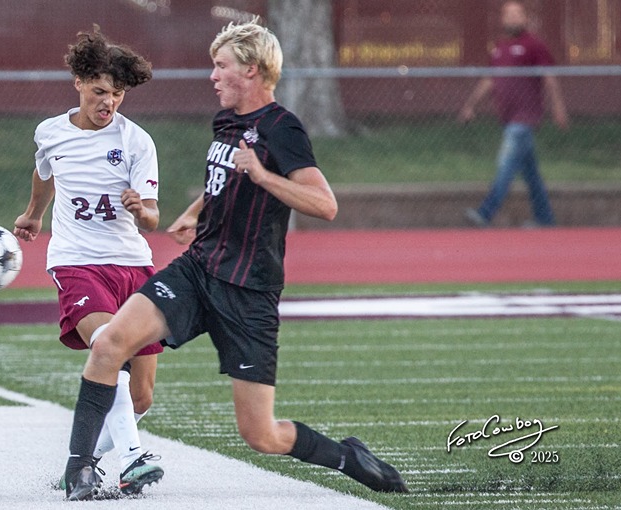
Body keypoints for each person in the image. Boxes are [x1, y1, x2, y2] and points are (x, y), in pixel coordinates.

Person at [61, 19, 409, 501]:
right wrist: (195, 210)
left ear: (252, 69)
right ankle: (79, 470)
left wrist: (264, 176)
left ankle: (347, 456)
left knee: (260, 435)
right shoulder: (226, 121)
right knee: (108, 346)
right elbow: (226, 176)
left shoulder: (283, 129)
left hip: (249, 291)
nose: (213, 76)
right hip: (199, 268)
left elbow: (324, 204)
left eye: (221, 65)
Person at [13, 25, 164, 497]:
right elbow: (43, 173)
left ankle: (84, 463)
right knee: (106, 345)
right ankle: (134, 457)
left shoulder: (137, 142)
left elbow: (155, 217)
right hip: (76, 261)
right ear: (78, 82)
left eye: (117, 94)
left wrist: (144, 210)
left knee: (141, 395)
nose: (109, 103)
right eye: (100, 91)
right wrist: (33, 214)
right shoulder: (50, 133)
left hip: (132, 265)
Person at [459, 0, 569, 228]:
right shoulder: (499, 48)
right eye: (509, 15)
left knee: (506, 164)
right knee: (532, 175)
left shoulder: (534, 45)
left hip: (524, 119)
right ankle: (545, 218)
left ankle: (485, 213)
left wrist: (558, 107)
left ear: (525, 18)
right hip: (508, 118)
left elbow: (549, 78)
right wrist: (471, 105)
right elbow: (489, 80)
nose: (513, 18)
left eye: (517, 14)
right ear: (502, 19)